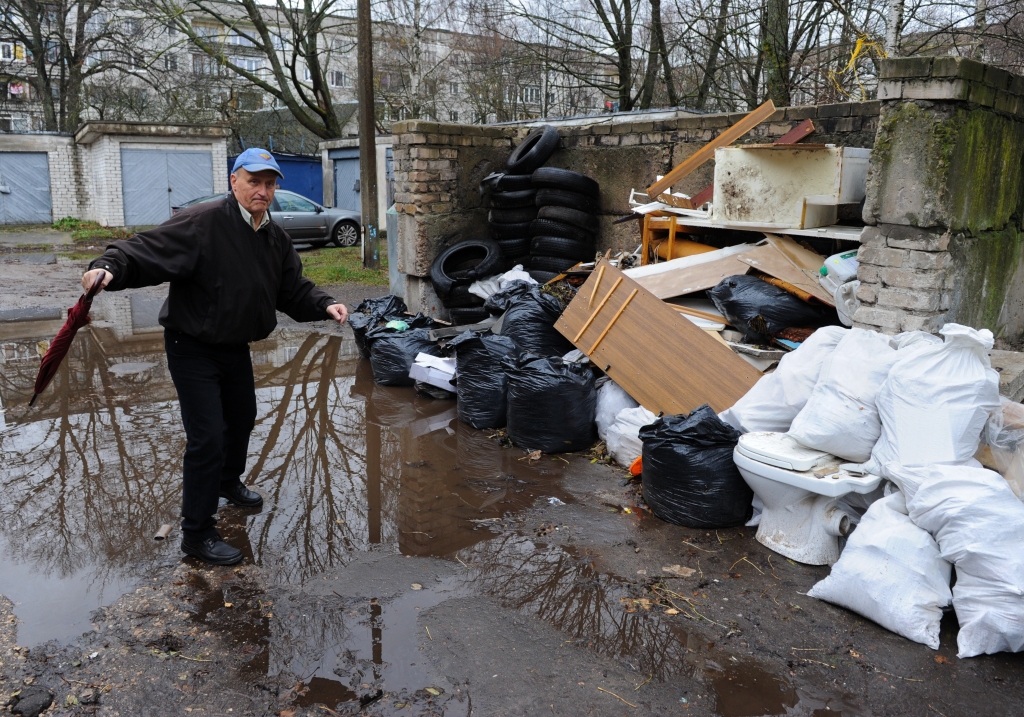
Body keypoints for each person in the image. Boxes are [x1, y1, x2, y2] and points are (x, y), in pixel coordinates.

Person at [81, 148, 349, 566]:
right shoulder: (202, 222)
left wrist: (324, 303)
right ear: (234, 181)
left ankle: (227, 482)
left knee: (241, 419)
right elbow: (144, 250)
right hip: (192, 346)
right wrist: (108, 267)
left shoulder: (273, 236)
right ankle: (197, 533)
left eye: (269, 183)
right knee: (207, 438)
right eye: (254, 181)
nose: (262, 190)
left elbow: (292, 289)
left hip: (234, 345)